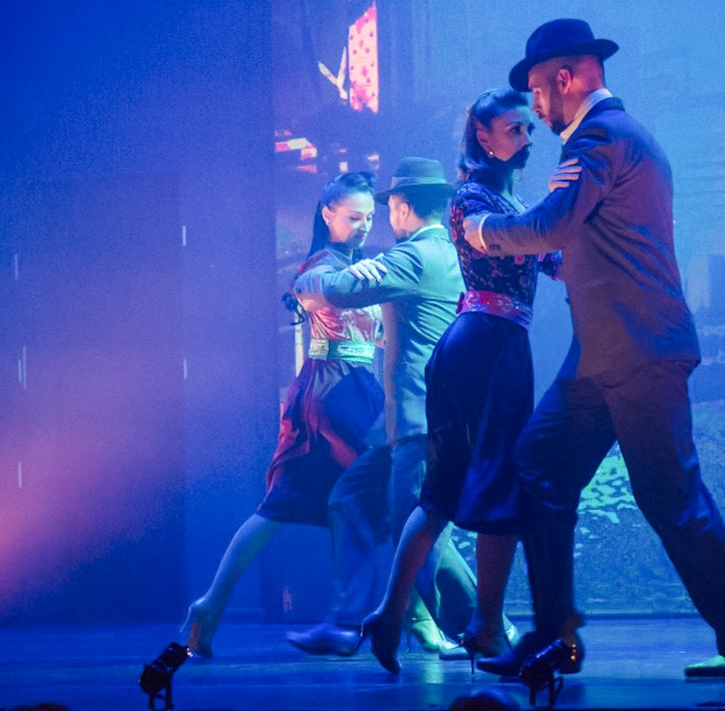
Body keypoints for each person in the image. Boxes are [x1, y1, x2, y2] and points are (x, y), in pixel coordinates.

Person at [462, 19, 725, 679]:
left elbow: (553, 224)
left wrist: (484, 232)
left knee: (671, 497)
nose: (535, 106)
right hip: (607, 354)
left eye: (536, 90)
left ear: (563, 77)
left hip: (636, 350)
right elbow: (589, 240)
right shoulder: (621, 137)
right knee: (539, 467)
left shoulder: (600, 135)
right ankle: (556, 637)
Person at [359, 88, 560, 674]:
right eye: (515, 130)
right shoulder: (471, 196)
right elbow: (493, 235)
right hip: (485, 348)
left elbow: (547, 257)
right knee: (491, 484)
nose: (526, 139)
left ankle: (392, 614)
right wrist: (556, 225)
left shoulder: (502, 193)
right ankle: (486, 626)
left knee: (446, 492)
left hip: (487, 346)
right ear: (483, 137)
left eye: (528, 129)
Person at [180, 171, 385, 658]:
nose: (362, 226)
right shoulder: (321, 267)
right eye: (354, 217)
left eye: (369, 218)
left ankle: (209, 605)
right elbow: (312, 294)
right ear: (327, 213)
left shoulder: (358, 265)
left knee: (288, 508)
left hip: (355, 391)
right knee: (390, 494)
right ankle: (420, 619)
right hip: (330, 396)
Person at [286, 157, 478, 658]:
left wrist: (303, 285)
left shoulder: (414, 256)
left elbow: (343, 289)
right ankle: (351, 622)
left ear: (400, 206)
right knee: (352, 501)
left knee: (418, 526)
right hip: (399, 420)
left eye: (386, 208)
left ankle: (478, 623)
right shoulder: (445, 250)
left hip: (419, 416)